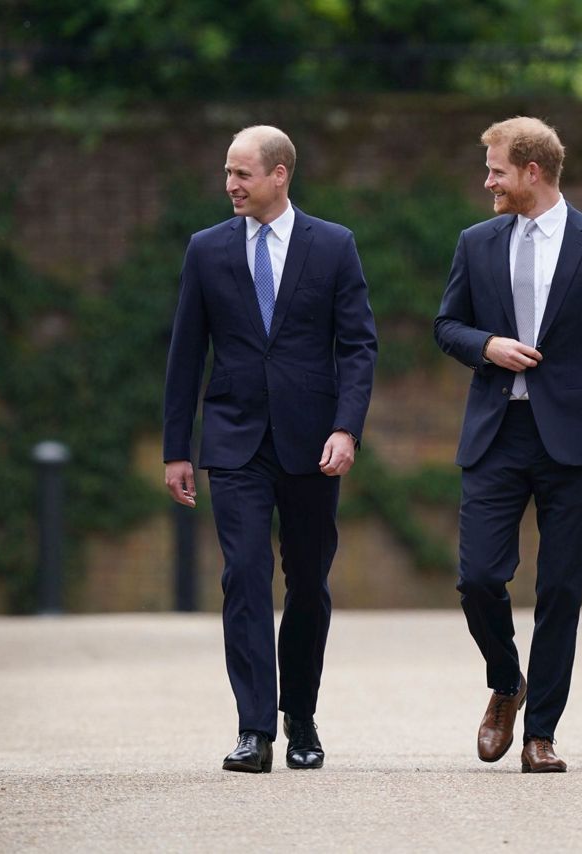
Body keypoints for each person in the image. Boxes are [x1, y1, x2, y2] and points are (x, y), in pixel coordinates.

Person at [434, 116, 582, 773]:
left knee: (560, 590)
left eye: (496, 169)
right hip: (496, 433)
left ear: (531, 172)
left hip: (573, 442)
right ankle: (506, 681)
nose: (488, 180)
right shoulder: (475, 243)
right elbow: (446, 324)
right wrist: (487, 345)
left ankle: (542, 735)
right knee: (476, 577)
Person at [163, 125, 377, 773]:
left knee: (307, 583)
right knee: (245, 575)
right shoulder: (205, 251)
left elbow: (359, 346)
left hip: (313, 443)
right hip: (233, 442)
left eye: (242, 173)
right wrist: (177, 447)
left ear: (280, 174)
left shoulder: (334, 246)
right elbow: (185, 355)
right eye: (227, 173)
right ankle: (254, 729)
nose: (230, 184)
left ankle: (301, 716)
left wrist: (347, 427)